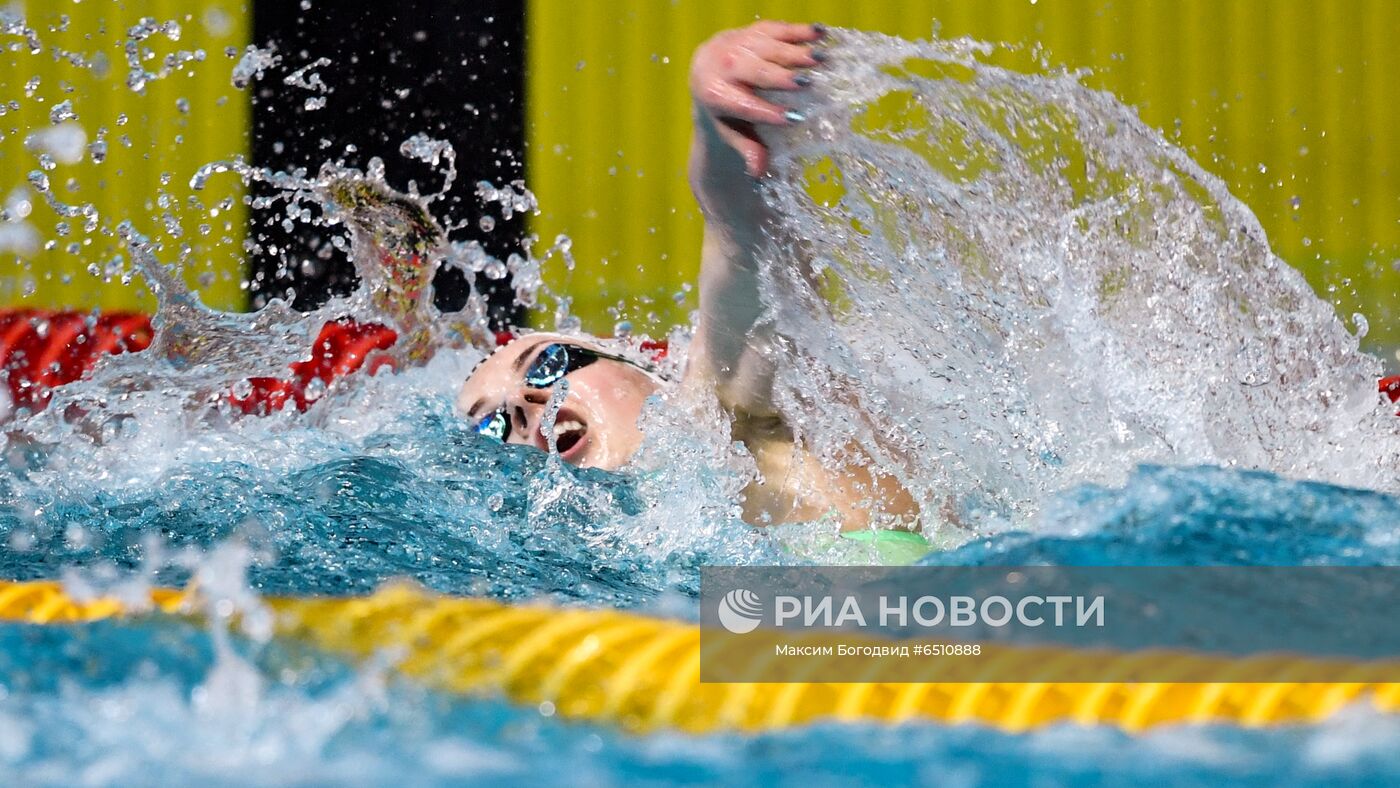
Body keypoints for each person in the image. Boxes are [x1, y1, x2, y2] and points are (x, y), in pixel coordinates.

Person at [458, 22, 928, 558]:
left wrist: (717, 121)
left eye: (546, 365)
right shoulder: (626, 551)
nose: (525, 405)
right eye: (494, 427)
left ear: (624, 357)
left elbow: (741, 240)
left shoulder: (729, 421)